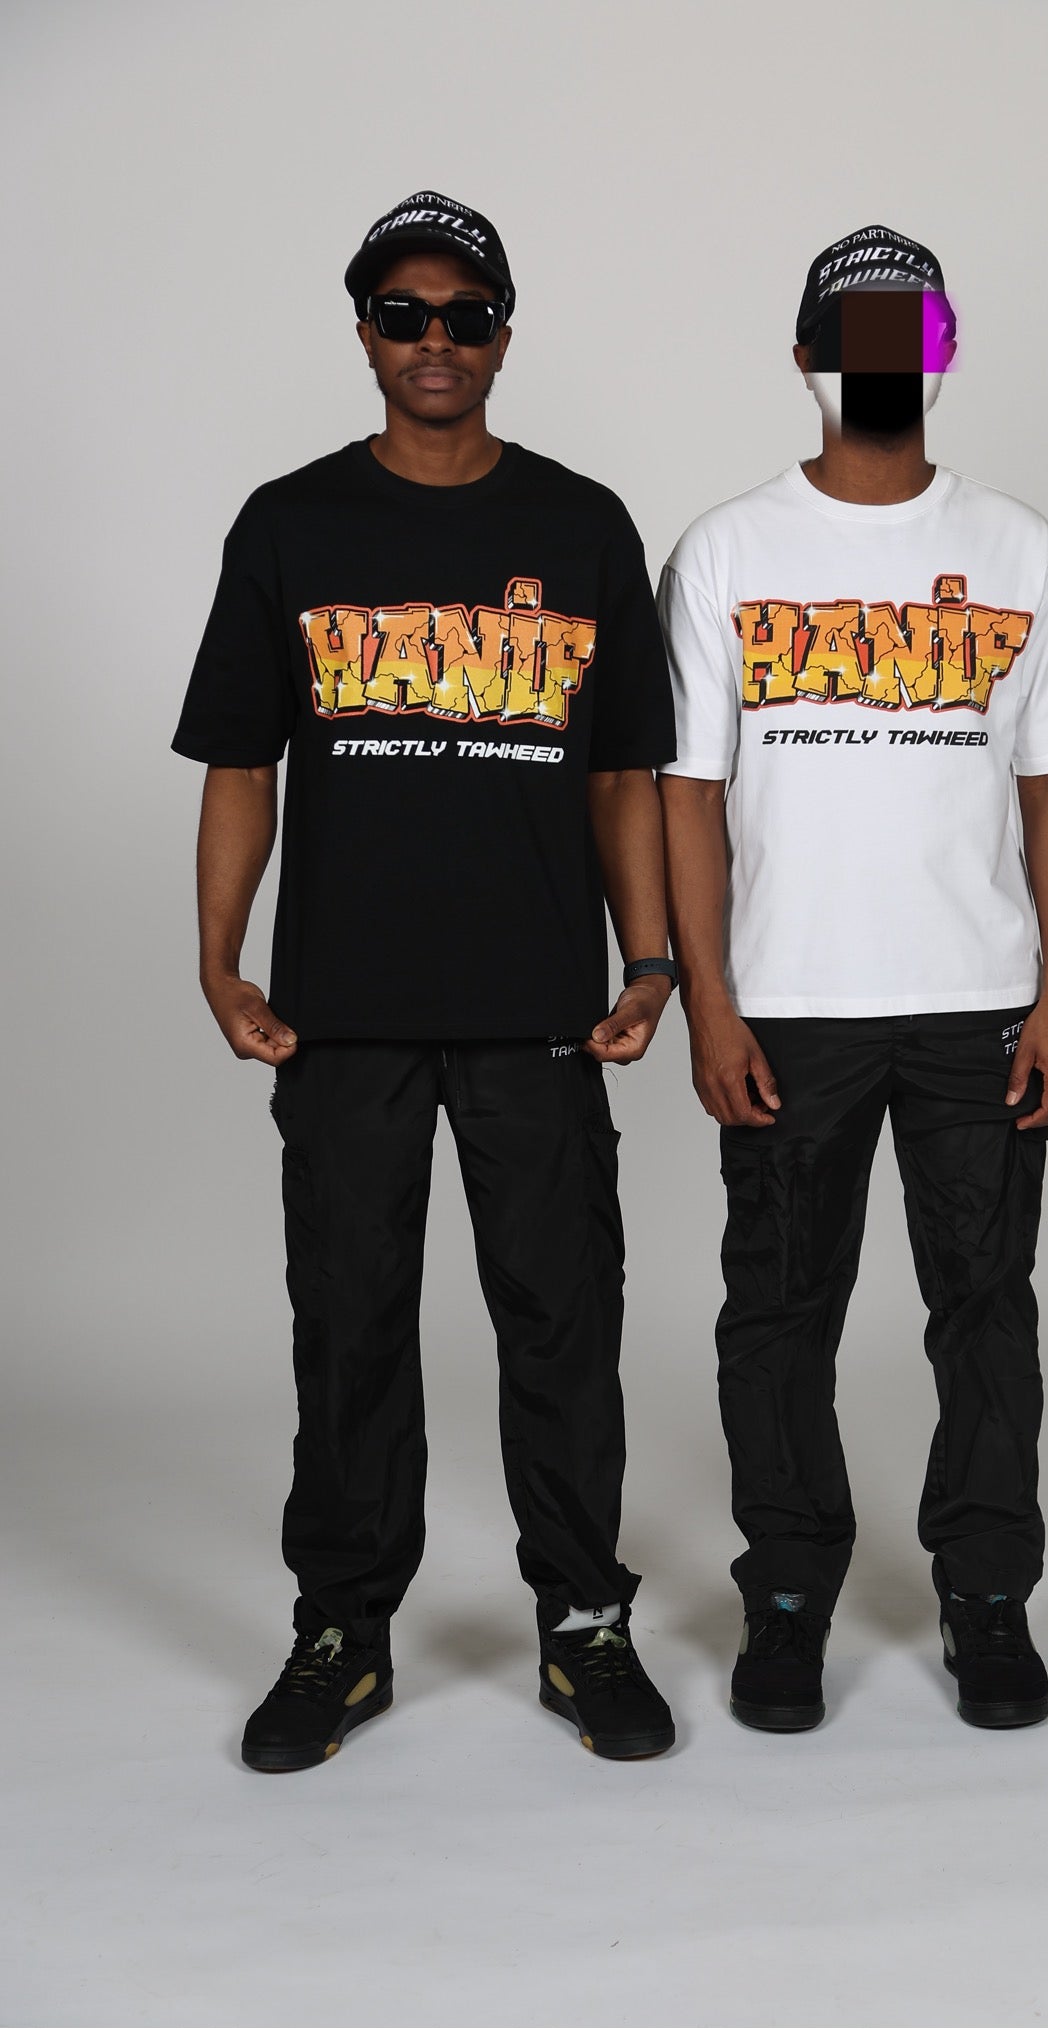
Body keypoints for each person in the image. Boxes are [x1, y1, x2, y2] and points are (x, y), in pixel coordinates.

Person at [172, 192, 679, 1771]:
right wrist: (219, 957)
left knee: (563, 1325)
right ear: (367, 334)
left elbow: (623, 772)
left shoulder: (582, 525)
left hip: (540, 1013)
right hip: (344, 1014)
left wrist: (652, 956)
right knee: (350, 1330)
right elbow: (242, 760)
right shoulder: (290, 524)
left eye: (465, 315)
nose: (435, 339)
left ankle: (583, 1622)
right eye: (405, 314)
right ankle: (344, 1631)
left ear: (504, 337)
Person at [658, 225, 1048, 1734]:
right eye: (851, 331)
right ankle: (790, 1594)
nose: (875, 356)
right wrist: (711, 1002)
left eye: (903, 329)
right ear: (808, 356)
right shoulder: (728, 550)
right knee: (778, 1313)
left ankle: (986, 1593)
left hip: (975, 1004)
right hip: (789, 1007)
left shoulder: (1019, 546)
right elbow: (686, 792)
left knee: (984, 1309)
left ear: (940, 352)